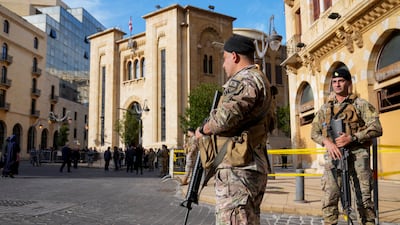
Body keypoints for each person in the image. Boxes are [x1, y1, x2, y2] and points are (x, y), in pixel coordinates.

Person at [195, 34, 273, 225]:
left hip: (239, 168)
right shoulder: (260, 79)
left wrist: (203, 130)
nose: (223, 65)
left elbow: (224, 119)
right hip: (250, 164)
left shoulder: (244, 79)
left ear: (235, 57)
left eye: (224, 58)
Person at [310, 67, 383, 225]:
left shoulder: (360, 104)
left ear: (348, 83)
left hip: (358, 156)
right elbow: (314, 132)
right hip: (334, 157)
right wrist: (327, 142)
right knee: (330, 197)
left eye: (341, 81)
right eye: (334, 82)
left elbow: (376, 127)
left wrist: (353, 138)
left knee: (363, 199)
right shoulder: (325, 108)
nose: (337, 84)